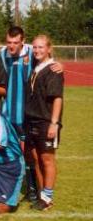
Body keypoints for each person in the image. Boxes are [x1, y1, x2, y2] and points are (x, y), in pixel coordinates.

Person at [0, 26, 63, 202]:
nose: (11, 46)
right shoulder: (2, 54)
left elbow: (46, 61)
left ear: (23, 41)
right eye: (9, 42)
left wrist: (59, 64)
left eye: (15, 42)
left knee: (33, 155)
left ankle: (35, 189)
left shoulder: (32, 52)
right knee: (15, 153)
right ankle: (17, 186)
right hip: (9, 113)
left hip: (28, 114)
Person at [24, 35, 64, 211]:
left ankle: (47, 198)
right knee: (35, 159)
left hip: (45, 121)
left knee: (47, 159)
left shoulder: (53, 70)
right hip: (31, 120)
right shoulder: (36, 67)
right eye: (34, 47)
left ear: (49, 49)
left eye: (41, 47)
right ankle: (42, 196)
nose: (37, 50)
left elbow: (57, 98)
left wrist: (54, 123)